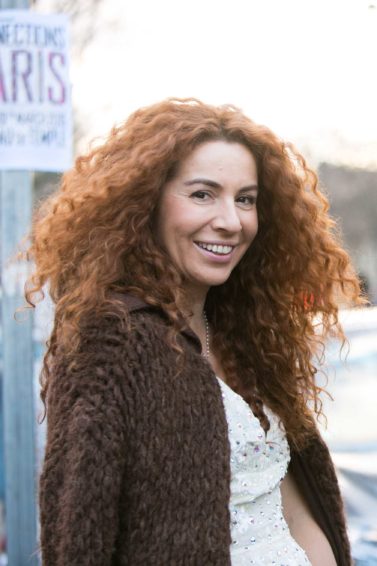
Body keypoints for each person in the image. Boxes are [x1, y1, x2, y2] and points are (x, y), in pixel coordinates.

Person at [26, 98, 361, 566]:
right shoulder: (113, 340)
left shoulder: (245, 335)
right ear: (147, 202)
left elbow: (286, 497)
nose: (230, 221)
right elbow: (79, 533)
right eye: (202, 194)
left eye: (245, 199)